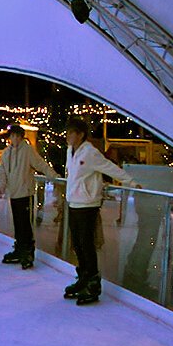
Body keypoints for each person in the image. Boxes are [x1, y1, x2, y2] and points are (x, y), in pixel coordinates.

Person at [59, 117, 139, 306]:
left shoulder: (90, 153)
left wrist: (131, 182)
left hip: (88, 205)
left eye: (72, 133)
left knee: (86, 245)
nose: (69, 136)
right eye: (68, 132)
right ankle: (83, 278)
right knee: (77, 244)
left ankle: (93, 285)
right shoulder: (70, 151)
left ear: (80, 135)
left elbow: (109, 168)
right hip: (74, 203)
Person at [0, 125, 57, 270]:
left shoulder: (27, 150)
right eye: (12, 136)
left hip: (25, 193)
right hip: (14, 194)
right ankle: (19, 249)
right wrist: (2, 186)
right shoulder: (6, 153)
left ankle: (28, 252)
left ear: (21, 137)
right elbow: (2, 171)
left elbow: (40, 164)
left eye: (17, 136)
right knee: (17, 223)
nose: (14, 139)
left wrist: (54, 176)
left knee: (25, 225)